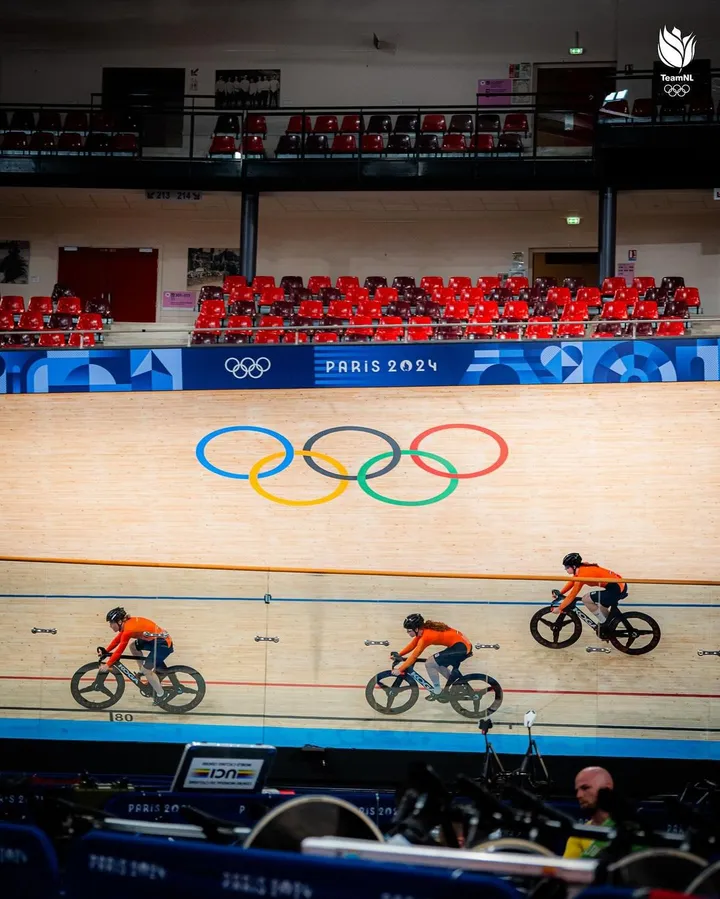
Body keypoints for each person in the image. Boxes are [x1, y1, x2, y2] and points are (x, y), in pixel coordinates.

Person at [99, 607, 173, 704]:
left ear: (119, 622)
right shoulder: (126, 625)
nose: (110, 626)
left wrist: (108, 664)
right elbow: (117, 640)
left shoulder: (128, 629)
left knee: (147, 671)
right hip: (154, 640)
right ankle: (142, 670)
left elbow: (119, 651)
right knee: (133, 646)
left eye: (111, 623)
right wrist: (106, 651)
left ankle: (161, 695)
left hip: (162, 644)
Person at [392, 613, 472, 702]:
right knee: (438, 664)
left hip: (461, 647)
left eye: (409, 630)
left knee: (430, 663)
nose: (408, 632)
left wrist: (400, 669)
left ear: (416, 629)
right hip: (461, 645)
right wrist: (399, 654)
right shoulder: (423, 630)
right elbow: (413, 644)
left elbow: (414, 656)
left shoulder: (426, 637)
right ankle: (457, 684)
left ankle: (437, 690)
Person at [553, 553, 627, 636]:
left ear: (573, 566)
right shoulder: (581, 568)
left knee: (586, 599)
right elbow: (572, 581)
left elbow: (572, 595)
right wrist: (561, 593)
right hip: (619, 585)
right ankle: (609, 625)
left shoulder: (582, 575)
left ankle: (604, 625)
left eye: (567, 567)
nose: (565, 569)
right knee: (601, 607)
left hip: (616, 588)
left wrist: (560, 608)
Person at [564, 766, 615, 858]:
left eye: (585, 788)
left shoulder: (632, 830)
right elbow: (569, 867)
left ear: (607, 789)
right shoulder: (578, 836)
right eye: (577, 790)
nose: (578, 795)